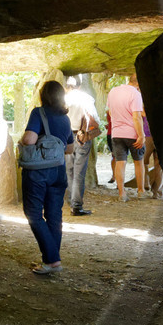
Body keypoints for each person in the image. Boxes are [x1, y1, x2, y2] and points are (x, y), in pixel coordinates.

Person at [19, 79, 72, 275]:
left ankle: (52, 260)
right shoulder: (65, 118)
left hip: (38, 172)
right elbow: (70, 148)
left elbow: (29, 139)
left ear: (43, 95)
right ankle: (52, 260)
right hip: (59, 171)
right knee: (54, 215)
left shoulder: (38, 113)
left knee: (33, 213)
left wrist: (24, 141)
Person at [62, 76, 100, 217]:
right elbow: (95, 118)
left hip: (66, 136)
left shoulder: (63, 99)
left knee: (69, 170)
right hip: (82, 136)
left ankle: (70, 201)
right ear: (79, 86)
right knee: (79, 172)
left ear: (67, 86)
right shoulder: (86, 98)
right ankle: (76, 206)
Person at [105, 73, 146, 202]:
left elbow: (110, 112)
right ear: (138, 84)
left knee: (120, 162)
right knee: (138, 162)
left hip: (116, 133)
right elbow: (137, 116)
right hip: (132, 133)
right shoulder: (135, 94)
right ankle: (141, 191)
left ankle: (122, 193)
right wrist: (141, 135)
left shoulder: (113, 91)